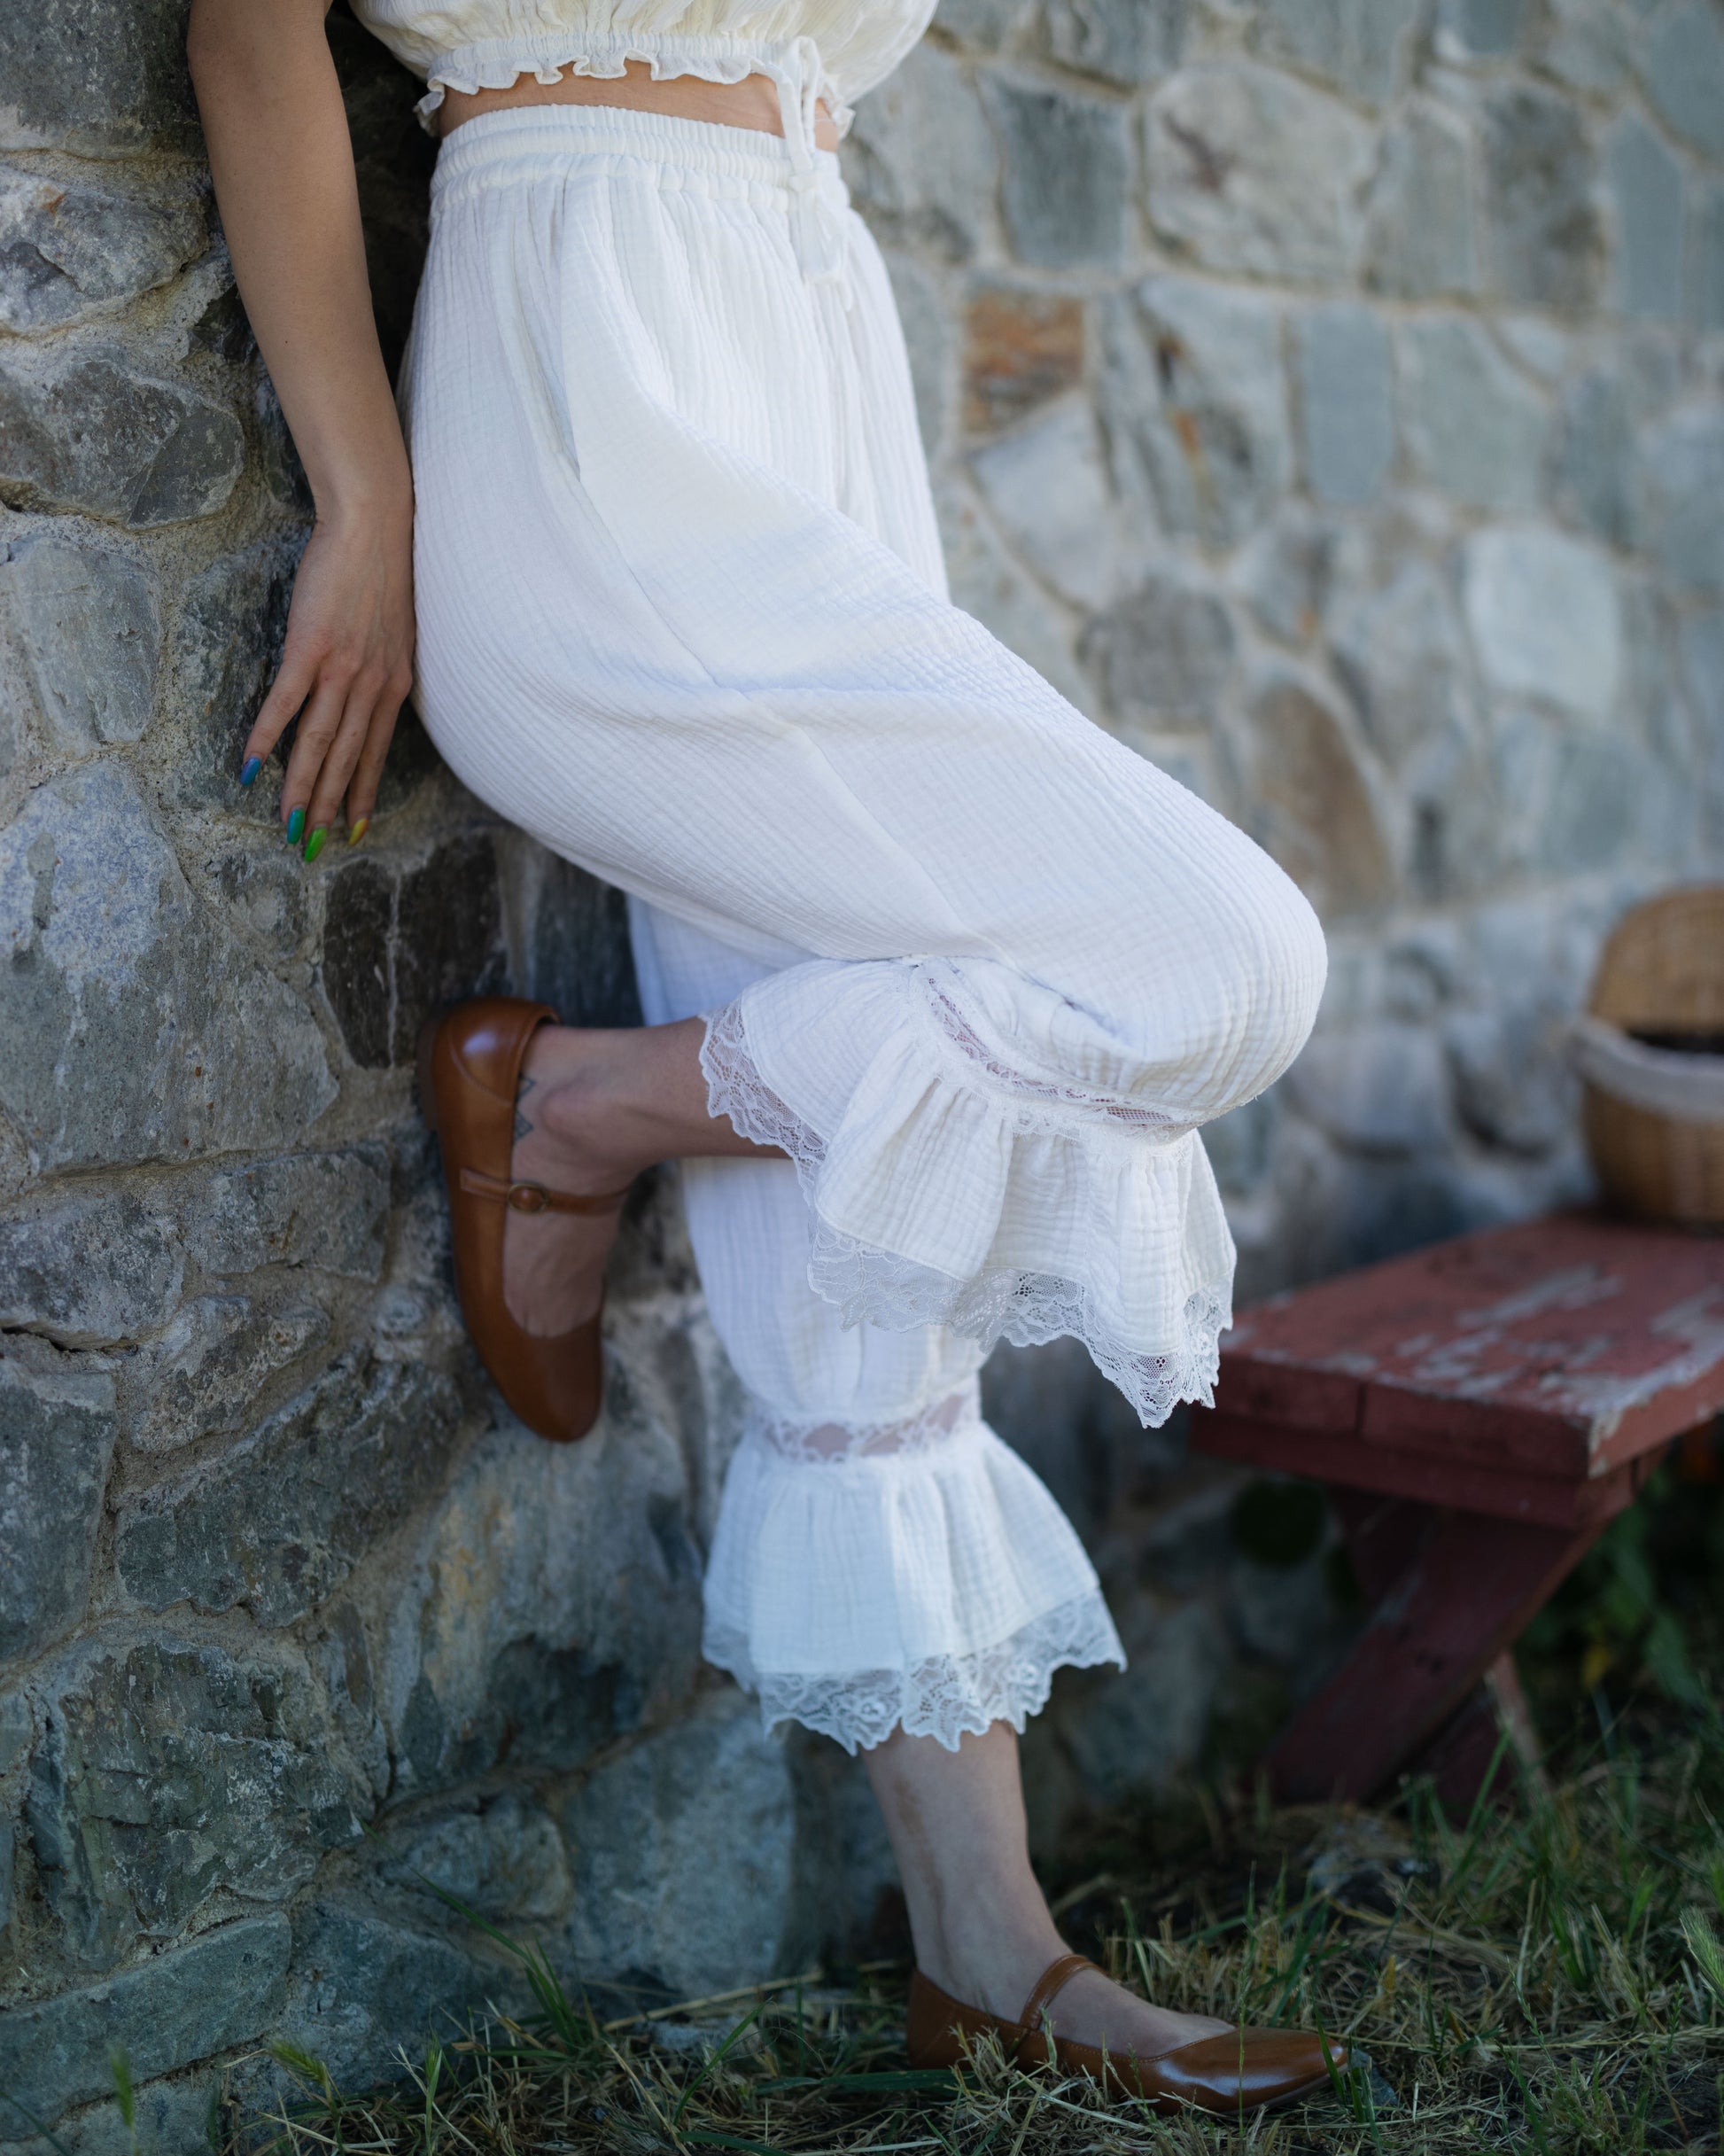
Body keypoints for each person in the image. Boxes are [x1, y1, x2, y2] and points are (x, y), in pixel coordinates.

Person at [188, 0, 1337, 2110]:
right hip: (589, 417)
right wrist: (364, 495)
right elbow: (242, 24)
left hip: (812, 361)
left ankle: (991, 1951)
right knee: (1222, 966)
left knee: (861, 1234)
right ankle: (587, 1100)